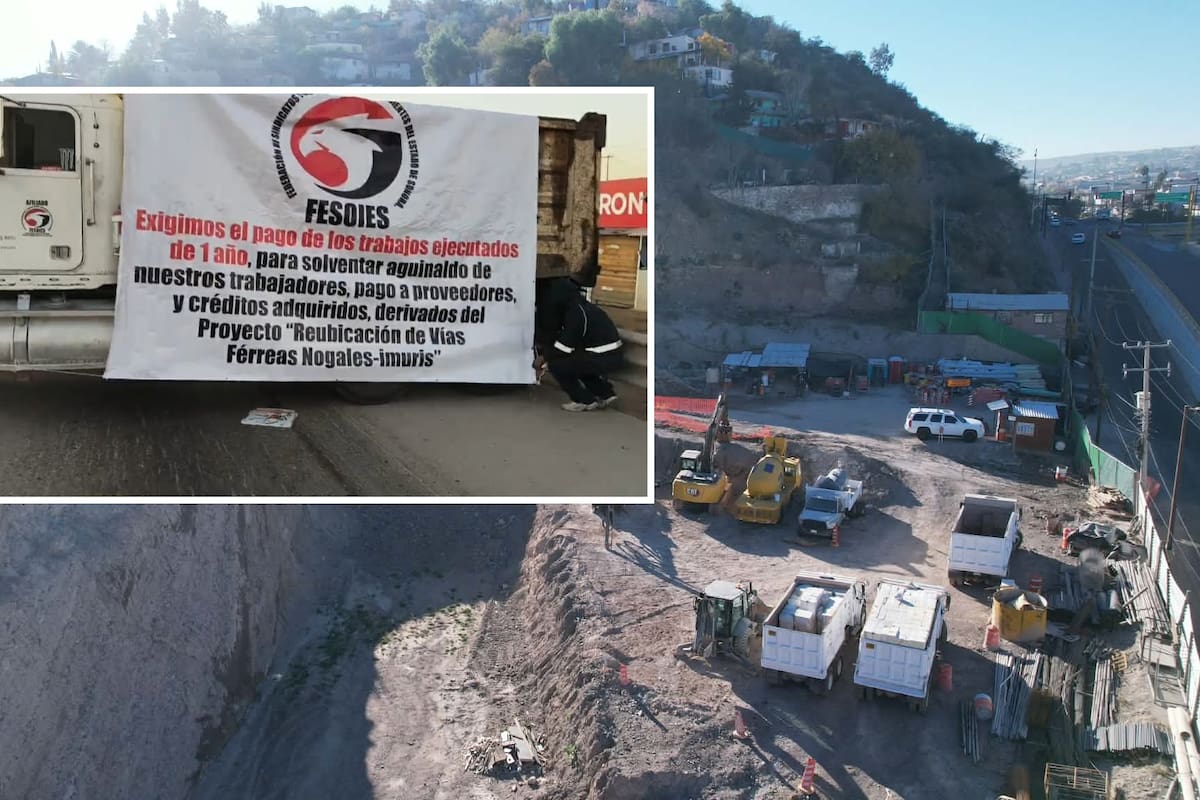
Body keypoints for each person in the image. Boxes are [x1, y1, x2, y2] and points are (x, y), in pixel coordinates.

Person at [537, 278, 623, 412]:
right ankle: (605, 394)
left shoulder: (576, 313)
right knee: (578, 362)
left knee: (557, 365)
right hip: (610, 354)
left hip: (604, 356)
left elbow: (564, 346)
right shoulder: (583, 307)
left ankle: (583, 400)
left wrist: (544, 358)